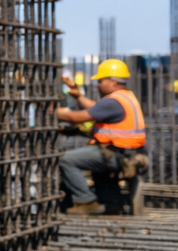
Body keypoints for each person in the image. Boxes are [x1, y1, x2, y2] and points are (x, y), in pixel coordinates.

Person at [55, 59, 145, 215]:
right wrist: (78, 96)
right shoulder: (125, 97)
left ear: (113, 82)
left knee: (65, 159)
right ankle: (111, 202)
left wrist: (50, 112)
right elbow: (96, 108)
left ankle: (85, 200)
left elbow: (78, 117)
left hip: (115, 155)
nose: (97, 84)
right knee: (93, 160)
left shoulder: (113, 101)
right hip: (129, 154)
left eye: (100, 80)